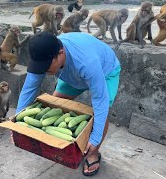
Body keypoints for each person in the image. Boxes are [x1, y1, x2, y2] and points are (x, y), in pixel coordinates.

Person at [16, 31, 121, 176]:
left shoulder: (86, 61)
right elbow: (30, 88)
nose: (44, 71)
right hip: (73, 73)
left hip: (105, 71)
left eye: (46, 67)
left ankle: (93, 154)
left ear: (60, 53)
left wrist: (95, 138)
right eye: (40, 67)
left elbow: (100, 100)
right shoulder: (44, 52)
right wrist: (17, 123)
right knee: (56, 104)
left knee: (99, 114)